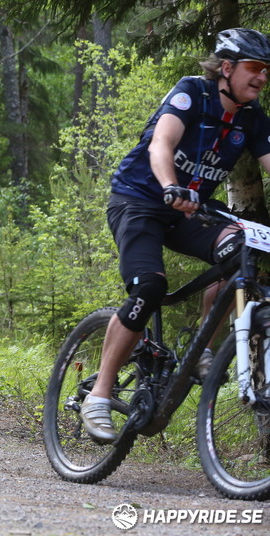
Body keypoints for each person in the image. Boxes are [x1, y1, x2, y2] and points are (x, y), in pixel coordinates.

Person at [81, 28, 270, 443]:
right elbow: (161, 144)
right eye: (254, 68)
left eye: (266, 71)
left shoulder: (252, 119)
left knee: (241, 252)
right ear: (227, 68)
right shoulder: (191, 94)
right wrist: (170, 184)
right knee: (148, 287)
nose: (261, 78)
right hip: (140, 201)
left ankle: (200, 348)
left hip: (191, 211)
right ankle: (99, 394)